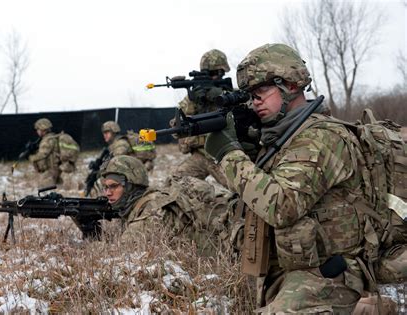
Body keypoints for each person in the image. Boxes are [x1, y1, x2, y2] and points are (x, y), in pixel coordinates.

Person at [204, 43, 379, 313]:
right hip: (295, 268)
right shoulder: (284, 136)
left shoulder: (321, 136)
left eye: (261, 90)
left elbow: (282, 206)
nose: (254, 101)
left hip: (333, 273)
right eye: (250, 94)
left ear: (291, 85)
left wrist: (229, 154)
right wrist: (248, 150)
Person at [100, 155, 234, 256]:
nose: (107, 193)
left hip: (227, 251)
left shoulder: (150, 214)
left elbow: (120, 256)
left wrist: (94, 239)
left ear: (131, 185)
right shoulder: (147, 199)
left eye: (113, 186)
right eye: (105, 187)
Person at [168, 49, 232, 188]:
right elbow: (176, 130)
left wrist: (220, 96)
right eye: (211, 74)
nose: (214, 78)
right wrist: (193, 101)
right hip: (202, 155)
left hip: (223, 154)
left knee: (242, 189)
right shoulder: (194, 96)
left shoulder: (230, 94)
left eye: (217, 74)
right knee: (174, 182)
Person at [29, 118, 62, 187]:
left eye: (38, 129)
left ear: (43, 129)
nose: (37, 132)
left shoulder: (47, 140)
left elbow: (43, 154)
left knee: (43, 189)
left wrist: (31, 157)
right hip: (54, 170)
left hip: (51, 171)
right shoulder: (52, 137)